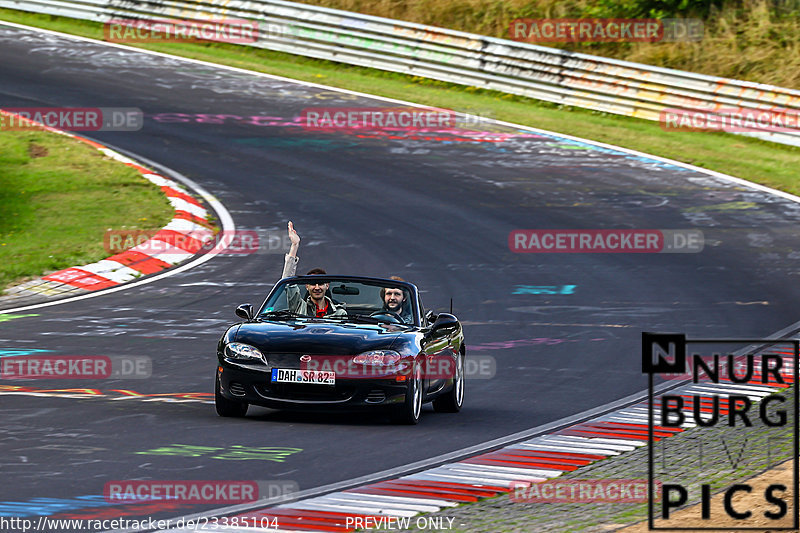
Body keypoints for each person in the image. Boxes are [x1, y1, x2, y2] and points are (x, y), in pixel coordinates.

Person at [281, 221, 346, 318]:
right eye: (312, 284)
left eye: (320, 283)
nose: (316, 287)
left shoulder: (339, 314)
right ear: (307, 286)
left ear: (327, 286)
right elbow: (288, 283)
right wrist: (295, 245)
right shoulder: (299, 307)